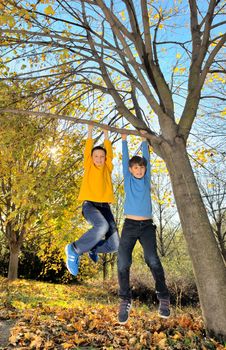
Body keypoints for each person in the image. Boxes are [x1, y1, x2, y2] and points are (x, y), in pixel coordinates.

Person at [117, 131, 170, 324]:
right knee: (122, 262)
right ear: (130, 170)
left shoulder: (146, 180)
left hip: (147, 226)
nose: (139, 171)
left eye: (142, 168)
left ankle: (163, 297)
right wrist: (124, 140)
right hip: (129, 226)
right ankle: (124, 300)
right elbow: (125, 161)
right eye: (136, 168)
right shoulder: (129, 178)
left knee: (152, 259)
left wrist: (144, 140)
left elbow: (146, 156)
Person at [65, 125, 119, 276]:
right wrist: (90, 131)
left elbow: (110, 154)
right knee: (102, 226)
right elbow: (88, 149)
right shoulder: (88, 165)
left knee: (115, 244)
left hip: (105, 207)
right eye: (96, 156)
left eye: (102, 156)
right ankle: (74, 249)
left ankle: (93, 248)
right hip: (90, 205)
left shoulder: (108, 166)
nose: (99, 159)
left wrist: (107, 134)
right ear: (92, 157)